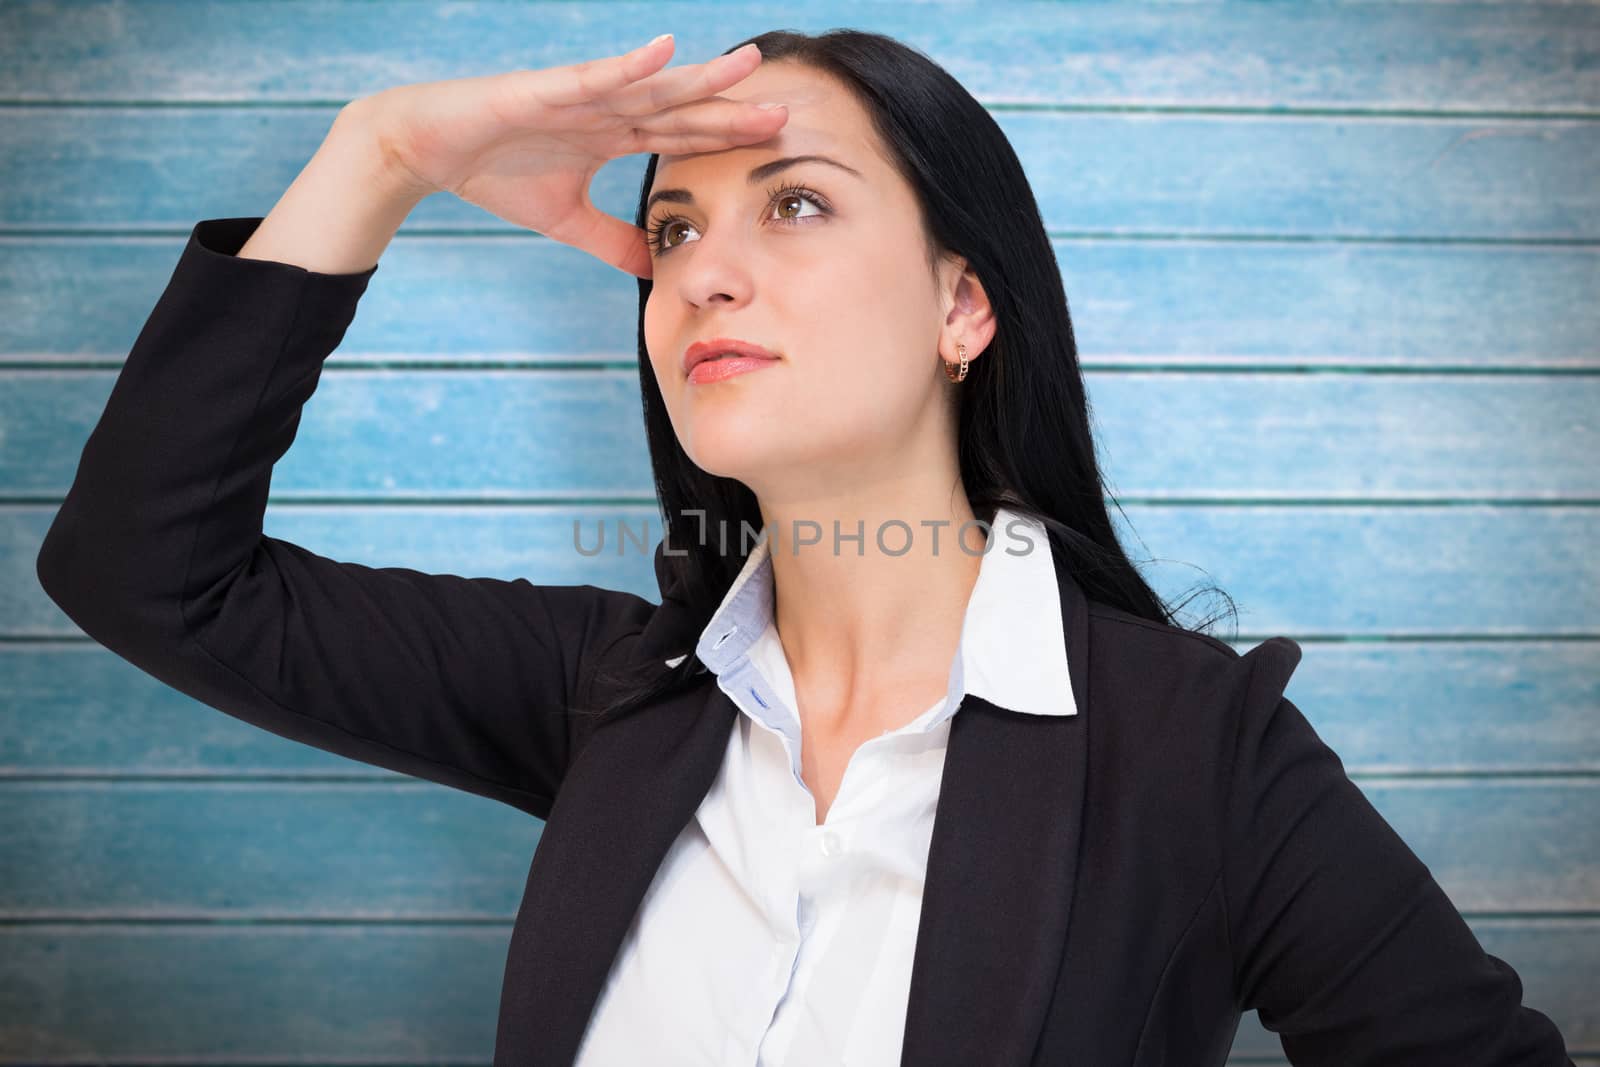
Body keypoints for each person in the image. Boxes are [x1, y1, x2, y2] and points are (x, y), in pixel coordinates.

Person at [34, 27, 1575, 1067]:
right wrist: (377, 156)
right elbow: (147, 569)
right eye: (680, 228)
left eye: (796, 205)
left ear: (963, 308)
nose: (704, 274)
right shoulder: (610, 697)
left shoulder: (1201, 754)